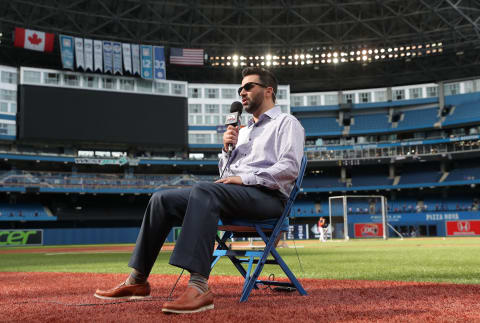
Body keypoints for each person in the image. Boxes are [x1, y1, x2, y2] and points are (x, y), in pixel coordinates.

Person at [94, 67, 305, 314]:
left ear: (269, 91)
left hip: (269, 198)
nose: (242, 92)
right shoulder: (242, 131)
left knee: (205, 191)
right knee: (162, 199)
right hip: (237, 195)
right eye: (240, 88)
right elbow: (226, 177)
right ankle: (137, 281)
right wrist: (227, 150)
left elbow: (289, 168)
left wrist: (244, 178)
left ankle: (198, 285)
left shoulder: (286, 123)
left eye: (248, 87)